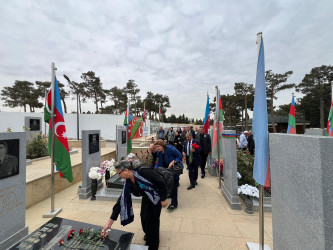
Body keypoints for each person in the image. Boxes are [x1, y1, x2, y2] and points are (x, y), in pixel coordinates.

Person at [102, 160, 168, 250]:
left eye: (119, 173)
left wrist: (163, 198)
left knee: (152, 221)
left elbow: (160, 181)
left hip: (155, 197)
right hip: (146, 197)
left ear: (126, 170)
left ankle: (153, 245)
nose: (119, 176)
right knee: (144, 217)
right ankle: (149, 234)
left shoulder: (143, 172)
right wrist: (109, 223)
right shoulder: (128, 181)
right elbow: (121, 201)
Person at [154, 139, 183, 211]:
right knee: (168, 184)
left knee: (174, 186)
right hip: (167, 170)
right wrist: (155, 169)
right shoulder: (159, 152)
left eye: (158, 147)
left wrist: (174, 161)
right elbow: (159, 163)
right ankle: (170, 195)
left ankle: (174, 204)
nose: (157, 149)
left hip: (174, 169)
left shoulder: (170, 148)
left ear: (162, 145)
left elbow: (179, 155)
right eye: (156, 147)